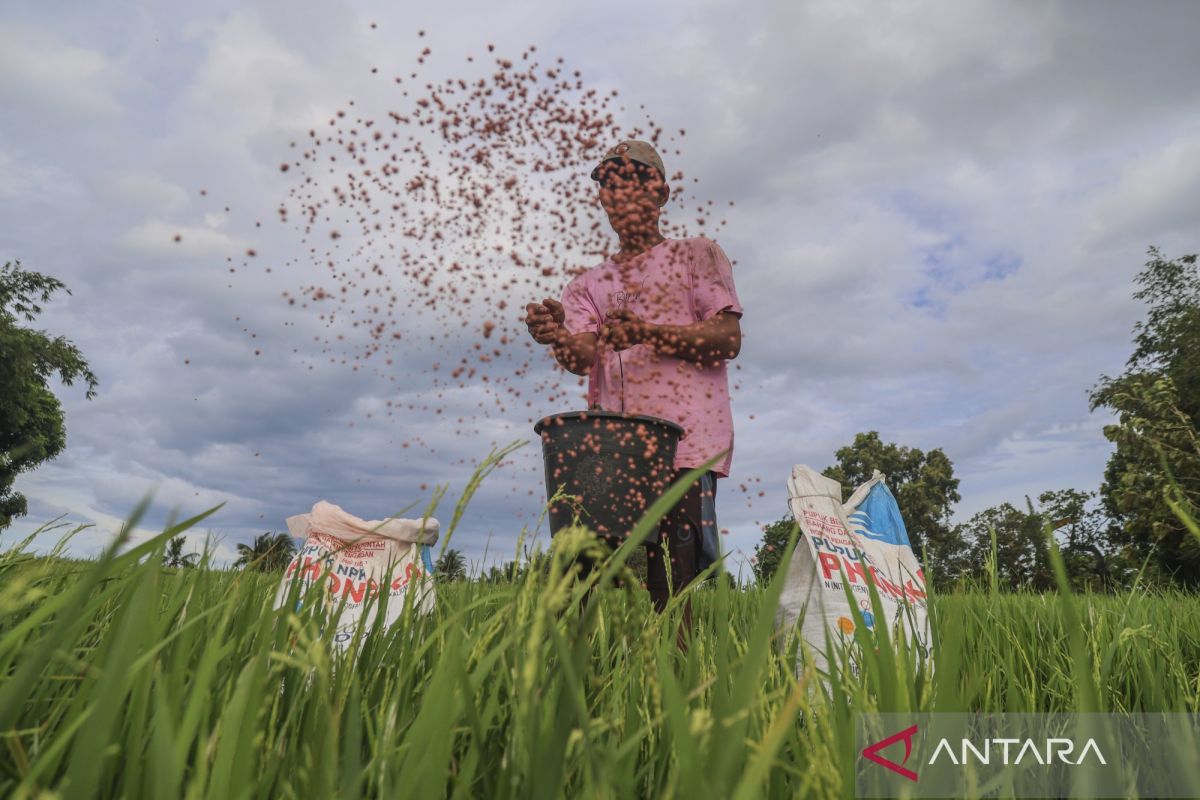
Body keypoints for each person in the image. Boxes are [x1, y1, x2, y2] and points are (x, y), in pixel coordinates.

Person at [524, 140, 743, 631]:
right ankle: (585, 685)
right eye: (609, 185)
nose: (619, 194)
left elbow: (727, 339)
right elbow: (582, 360)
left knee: (672, 580)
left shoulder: (696, 256)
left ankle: (675, 688)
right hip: (610, 447)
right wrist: (557, 334)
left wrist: (646, 333)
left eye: (633, 181)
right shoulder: (588, 285)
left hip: (685, 445)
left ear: (660, 193)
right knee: (583, 578)